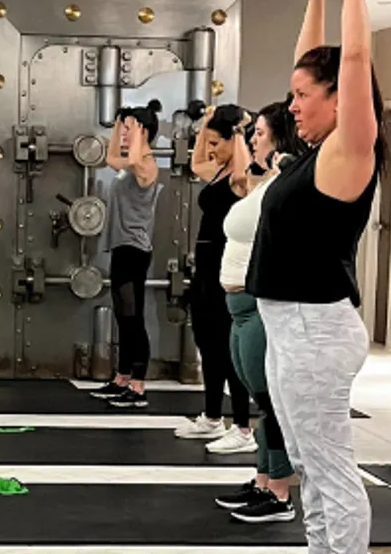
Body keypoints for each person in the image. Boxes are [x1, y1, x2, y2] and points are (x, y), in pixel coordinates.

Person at [244, 0, 386, 554]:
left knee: (330, 465)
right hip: (287, 325)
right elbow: (318, 59)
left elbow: (354, 57)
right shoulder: (312, 151)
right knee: (305, 459)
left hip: (316, 327)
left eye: (305, 94)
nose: (291, 104)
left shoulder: (351, 151)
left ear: (342, 98)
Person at [214, 100, 308, 523]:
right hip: (240, 308)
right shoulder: (265, 182)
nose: (253, 138)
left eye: (260, 133)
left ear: (280, 139)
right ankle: (262, 479)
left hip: (258, 306)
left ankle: (281, 494)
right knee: (259, 400)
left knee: (272, 401)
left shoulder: (286, 184)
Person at [179, 104, 256, 453]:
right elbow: (196, 164)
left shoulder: (242, 176)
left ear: (234, 141)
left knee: (229, 350)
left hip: (228, 268)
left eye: (215, 142)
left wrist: (238, 131)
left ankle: (243, 427)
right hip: (206, 270)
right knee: (207, 344)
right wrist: (207, 125)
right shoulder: (216, 169)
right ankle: (212, 416)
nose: (209, 148)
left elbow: (243, 175)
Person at [92, 101, 165, 409]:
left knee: (133, 318)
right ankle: (122, 377)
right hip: (122, 246)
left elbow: (133, 156)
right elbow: (111, 158)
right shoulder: (128, 165)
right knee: (123, 316)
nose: (123, 136)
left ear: (144, 132)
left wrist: (135, 130)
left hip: (135, 248)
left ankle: (138, 385)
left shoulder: (146, 164)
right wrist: (119, 124)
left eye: (129, 131)